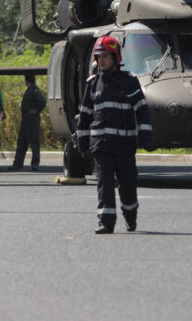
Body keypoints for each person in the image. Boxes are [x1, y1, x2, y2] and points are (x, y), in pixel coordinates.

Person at [75, 35, 153, 234]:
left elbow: (142, 109)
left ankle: (130, 214)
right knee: (104, 183)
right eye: (98, 57)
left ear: (116, 57)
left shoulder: (129, 81)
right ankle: (106, 222)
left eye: (105, 56)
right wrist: (82, 142)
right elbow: (84, 115)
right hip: (101, 145)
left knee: (128, 184)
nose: (101, 60)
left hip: (125, 145)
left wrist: (145, 134)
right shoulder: (92, 84)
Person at [10, 74, 47, 171]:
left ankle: (35, 164)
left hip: (32, 120)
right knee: (21, 142)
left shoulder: (34, 90)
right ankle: (17, 164)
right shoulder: (30, 90)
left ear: (27, 80)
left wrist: (36, 110)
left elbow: (42, 102)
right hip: (25, 120)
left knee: (34, 142)